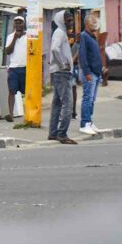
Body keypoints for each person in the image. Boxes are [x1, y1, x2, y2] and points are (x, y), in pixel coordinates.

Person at [48, 10, 77, 144]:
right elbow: (54, 49)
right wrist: (63, 64)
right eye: (68, 20)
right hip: (61, 73)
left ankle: (53, 133)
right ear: (61, 20)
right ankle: (62, 134)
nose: (70, 23)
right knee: (68, 104)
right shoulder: (59, 33)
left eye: (71, 20)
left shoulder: (62, 32)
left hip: (59, 72)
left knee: (57, 104)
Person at [78, 14, 103, 135]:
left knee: (92, 99)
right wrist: (87, 72)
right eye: (93, 21)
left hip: (96, 73)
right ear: (87, 24)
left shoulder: (92, 36)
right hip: (90, 73)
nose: (96, 23)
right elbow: (82, 56)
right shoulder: (84, 36)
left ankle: (90, 121)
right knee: (87, 98)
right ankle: (84, 123)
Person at [3, 15, 27, 122]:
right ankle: (11, 114)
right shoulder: (10, 37)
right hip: (13, 68)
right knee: (12, 91)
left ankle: (29, 113)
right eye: (16, 23)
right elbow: (7, 51)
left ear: (24, 24)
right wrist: (14, 38)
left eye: (20, 22)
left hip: (25, 68)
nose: (18, 25)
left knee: (27, 92)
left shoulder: (29, 36)